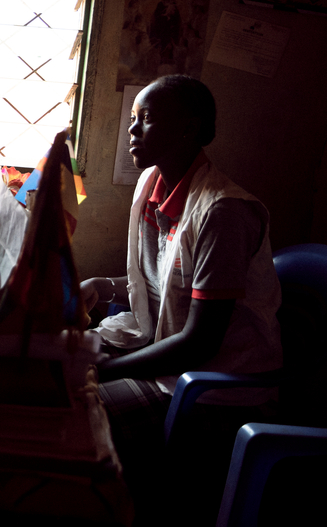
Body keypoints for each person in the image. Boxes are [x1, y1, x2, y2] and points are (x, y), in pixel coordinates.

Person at [80, 75, 282, 522]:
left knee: (79, 414)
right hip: (167, 355)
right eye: (133, 118)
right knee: (54, 362)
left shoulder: (223, 212)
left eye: (146, 119)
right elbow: (165, 281)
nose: (132, 130)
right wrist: (103, 285)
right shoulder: (154, 184)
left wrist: (102, 371)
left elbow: (200, 342)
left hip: (213, 386)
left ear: (189, 129)